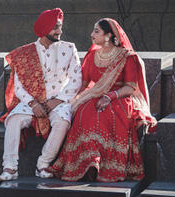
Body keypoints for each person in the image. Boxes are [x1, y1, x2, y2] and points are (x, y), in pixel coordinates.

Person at [48, 18, 156, 182]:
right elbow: (83, 85)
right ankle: (87, 164)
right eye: (93, 30)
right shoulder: (92, 57)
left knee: (108, 116)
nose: (92, 34)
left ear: (108, 35)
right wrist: (67, 100)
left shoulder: (127, 57)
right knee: (84, 114)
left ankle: (103, 166)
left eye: (96, 31)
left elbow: (130, 87)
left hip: (119, 97)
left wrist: (109, 96)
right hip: (95, 95)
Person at [0, 8, 82, 181]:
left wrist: (57, 101)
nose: (60, 31)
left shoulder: (69, 48)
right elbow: (19, 87)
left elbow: (76, 80)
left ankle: (43, 164)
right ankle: (10, 167)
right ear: (44, 29)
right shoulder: (24, 53)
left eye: (60, 27)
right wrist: (33, 104)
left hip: (59, 100)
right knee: (12, 120)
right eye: (56, 27)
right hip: (32, 102)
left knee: (62, 122)